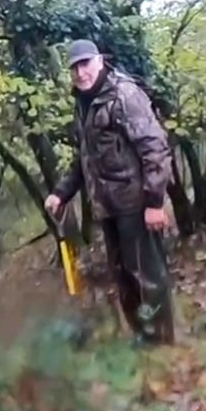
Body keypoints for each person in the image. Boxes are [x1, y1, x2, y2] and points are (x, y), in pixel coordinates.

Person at [44, 39, 176, 346]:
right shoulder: (84, 102)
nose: (80, 72)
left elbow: (154, 148)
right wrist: (62, 192)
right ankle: (143, 337)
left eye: (85, 64)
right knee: (124, 277)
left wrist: (154, 202)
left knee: (148, 277)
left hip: (136, 202)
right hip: (108, 206)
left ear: (100, 61)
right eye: (75, 67)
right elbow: (86, 158)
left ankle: (163, 346)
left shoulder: (124, 94)